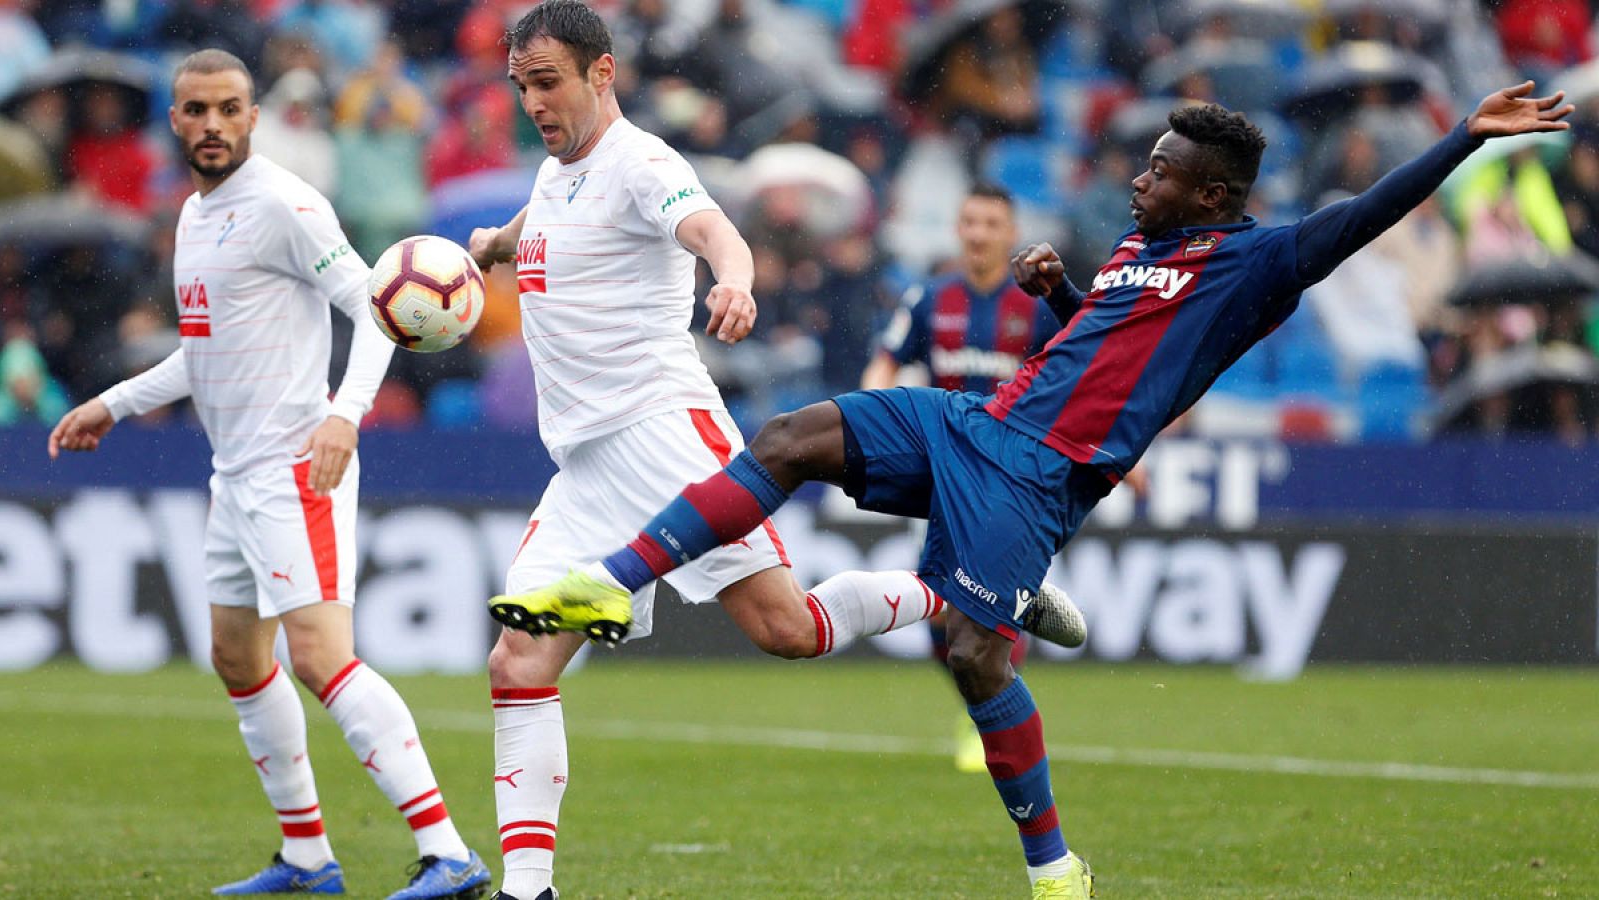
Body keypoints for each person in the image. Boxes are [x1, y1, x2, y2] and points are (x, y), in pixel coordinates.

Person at [520, 81, 1575, 899]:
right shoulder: (1135, 251)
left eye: (1159, 173)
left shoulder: (1253, 263)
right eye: (1143, 165)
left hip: (1041, 478)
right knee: (793, 435)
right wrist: (1061, 294)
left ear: (1211, 194)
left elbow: (1361, 215)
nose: (1138, 181)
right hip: (980, 422)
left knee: (974, 656)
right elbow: (1099, 349)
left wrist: (1464, 140)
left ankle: (1053, 867)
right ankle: (612, 581)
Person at [463, 5, 1085, 899]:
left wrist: (737, 280)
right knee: (517, 664)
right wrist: (489, 247)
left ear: (604, 74)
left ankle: (969, 590)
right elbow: (543, 224)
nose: (532, 102)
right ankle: (529, 890)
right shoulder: (557, 174)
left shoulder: (644, 163)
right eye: (520, 85)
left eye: (548, 81)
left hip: (667, 439)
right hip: (586, 465)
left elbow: (714, 231)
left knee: (788, 632)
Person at [46, 49, 490, 900]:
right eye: (196, 111)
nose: (212, 124)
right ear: (175, 121)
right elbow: (205, 351)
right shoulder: (198, 214)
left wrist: (344, 415)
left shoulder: (287, 204)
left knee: (322, 659)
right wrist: (114, 401)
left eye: (228, 109)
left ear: (254, 116)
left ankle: (448, 852)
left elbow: (376, 308)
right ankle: (307, 860)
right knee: (237, 657)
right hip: (235, 472)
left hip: (295, 466)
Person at [861, 182, 1057, 774]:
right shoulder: (931, 297)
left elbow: (1076, 382)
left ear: (1010, 232)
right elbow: (886, 361)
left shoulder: (1039, 307)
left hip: (1011, 472)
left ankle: (995, 723)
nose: (978, 234)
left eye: (991, 224)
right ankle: (991, 705)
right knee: (940, 616)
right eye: (970, 222)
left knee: (981, 608)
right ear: (958, 228)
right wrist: (870, 411)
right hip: (946, 474)